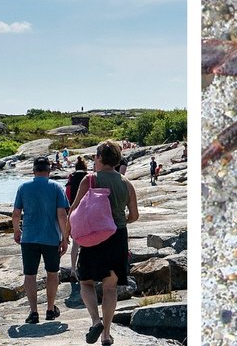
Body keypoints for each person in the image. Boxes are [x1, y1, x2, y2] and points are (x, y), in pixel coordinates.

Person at [71, 141, 139, 346]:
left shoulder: (89, 179)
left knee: (86, 282)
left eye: (95, 156)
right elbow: (134, 216)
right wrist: (118, 222)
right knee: (110, 288)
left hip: (93, 237)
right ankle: (107, 335)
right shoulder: (126, 183)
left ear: (100, 158)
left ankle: (95, 322)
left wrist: (68, 233)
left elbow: (74, 210)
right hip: (117, 237)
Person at [12, 156, 70, 325]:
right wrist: (64, 238)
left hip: (29, 238)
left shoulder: (23, 187)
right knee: (52, 273)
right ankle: (50, 309)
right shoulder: (56, 188)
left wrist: (17, 230)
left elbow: (16, 214)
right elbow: (61, 214)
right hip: (51, 238)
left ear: (33, 170)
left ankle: (34, 312)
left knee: (30, 275)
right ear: (49, 171)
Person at [64, 157, 90, 304]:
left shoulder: (72, 177)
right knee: (88, 242)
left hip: (74, 212)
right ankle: (87, 270)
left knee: (75, 243)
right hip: (87, 211)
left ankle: (73, 269)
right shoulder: (89, 176)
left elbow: (67, 194)